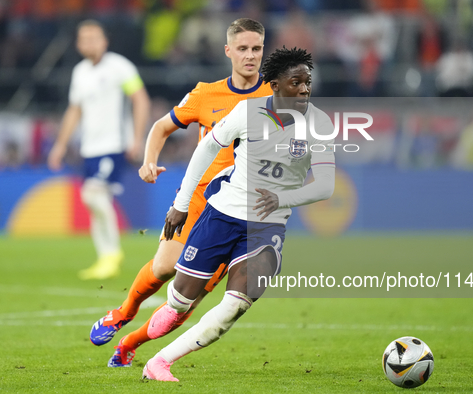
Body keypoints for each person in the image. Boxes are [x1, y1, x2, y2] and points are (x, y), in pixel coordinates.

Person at [142, 47, 336, 382]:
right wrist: (182, 204)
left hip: (267, 225)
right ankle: (158, 321)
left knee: (235, 305)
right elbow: (206, 149)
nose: (305, 89)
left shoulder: (318, 123)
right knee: (180, 301)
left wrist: (282, 198)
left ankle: (159, 362)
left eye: (308, 82)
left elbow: (326, 185)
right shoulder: (247, 113)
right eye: (296, 82)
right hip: (222, 214)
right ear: (274, 85)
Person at [89, 19, 273, 366]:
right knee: (163, 266)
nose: (250, 56)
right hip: (200, 198)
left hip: (239, 210)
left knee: (185, 302)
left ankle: (129, 344)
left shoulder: (275, 97)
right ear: (228, 51)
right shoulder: (206, 93)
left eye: (257, 48)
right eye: (244, 48)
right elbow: (161, 127)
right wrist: (149, 162)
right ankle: (122, 313)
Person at [47, 20, 150, 280]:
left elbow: (140, 99)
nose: (89, 42)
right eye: (84, 38)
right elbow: (75, 110)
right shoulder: (80, 72)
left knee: (91, 195)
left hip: (114, 145)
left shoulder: (119, 67)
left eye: (94, 37)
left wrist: (137, 138)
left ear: (105, 40)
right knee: (95, 202)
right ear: (78, 44)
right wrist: (60, 145)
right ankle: (105, 258)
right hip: (90, 149)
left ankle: (112, 253)